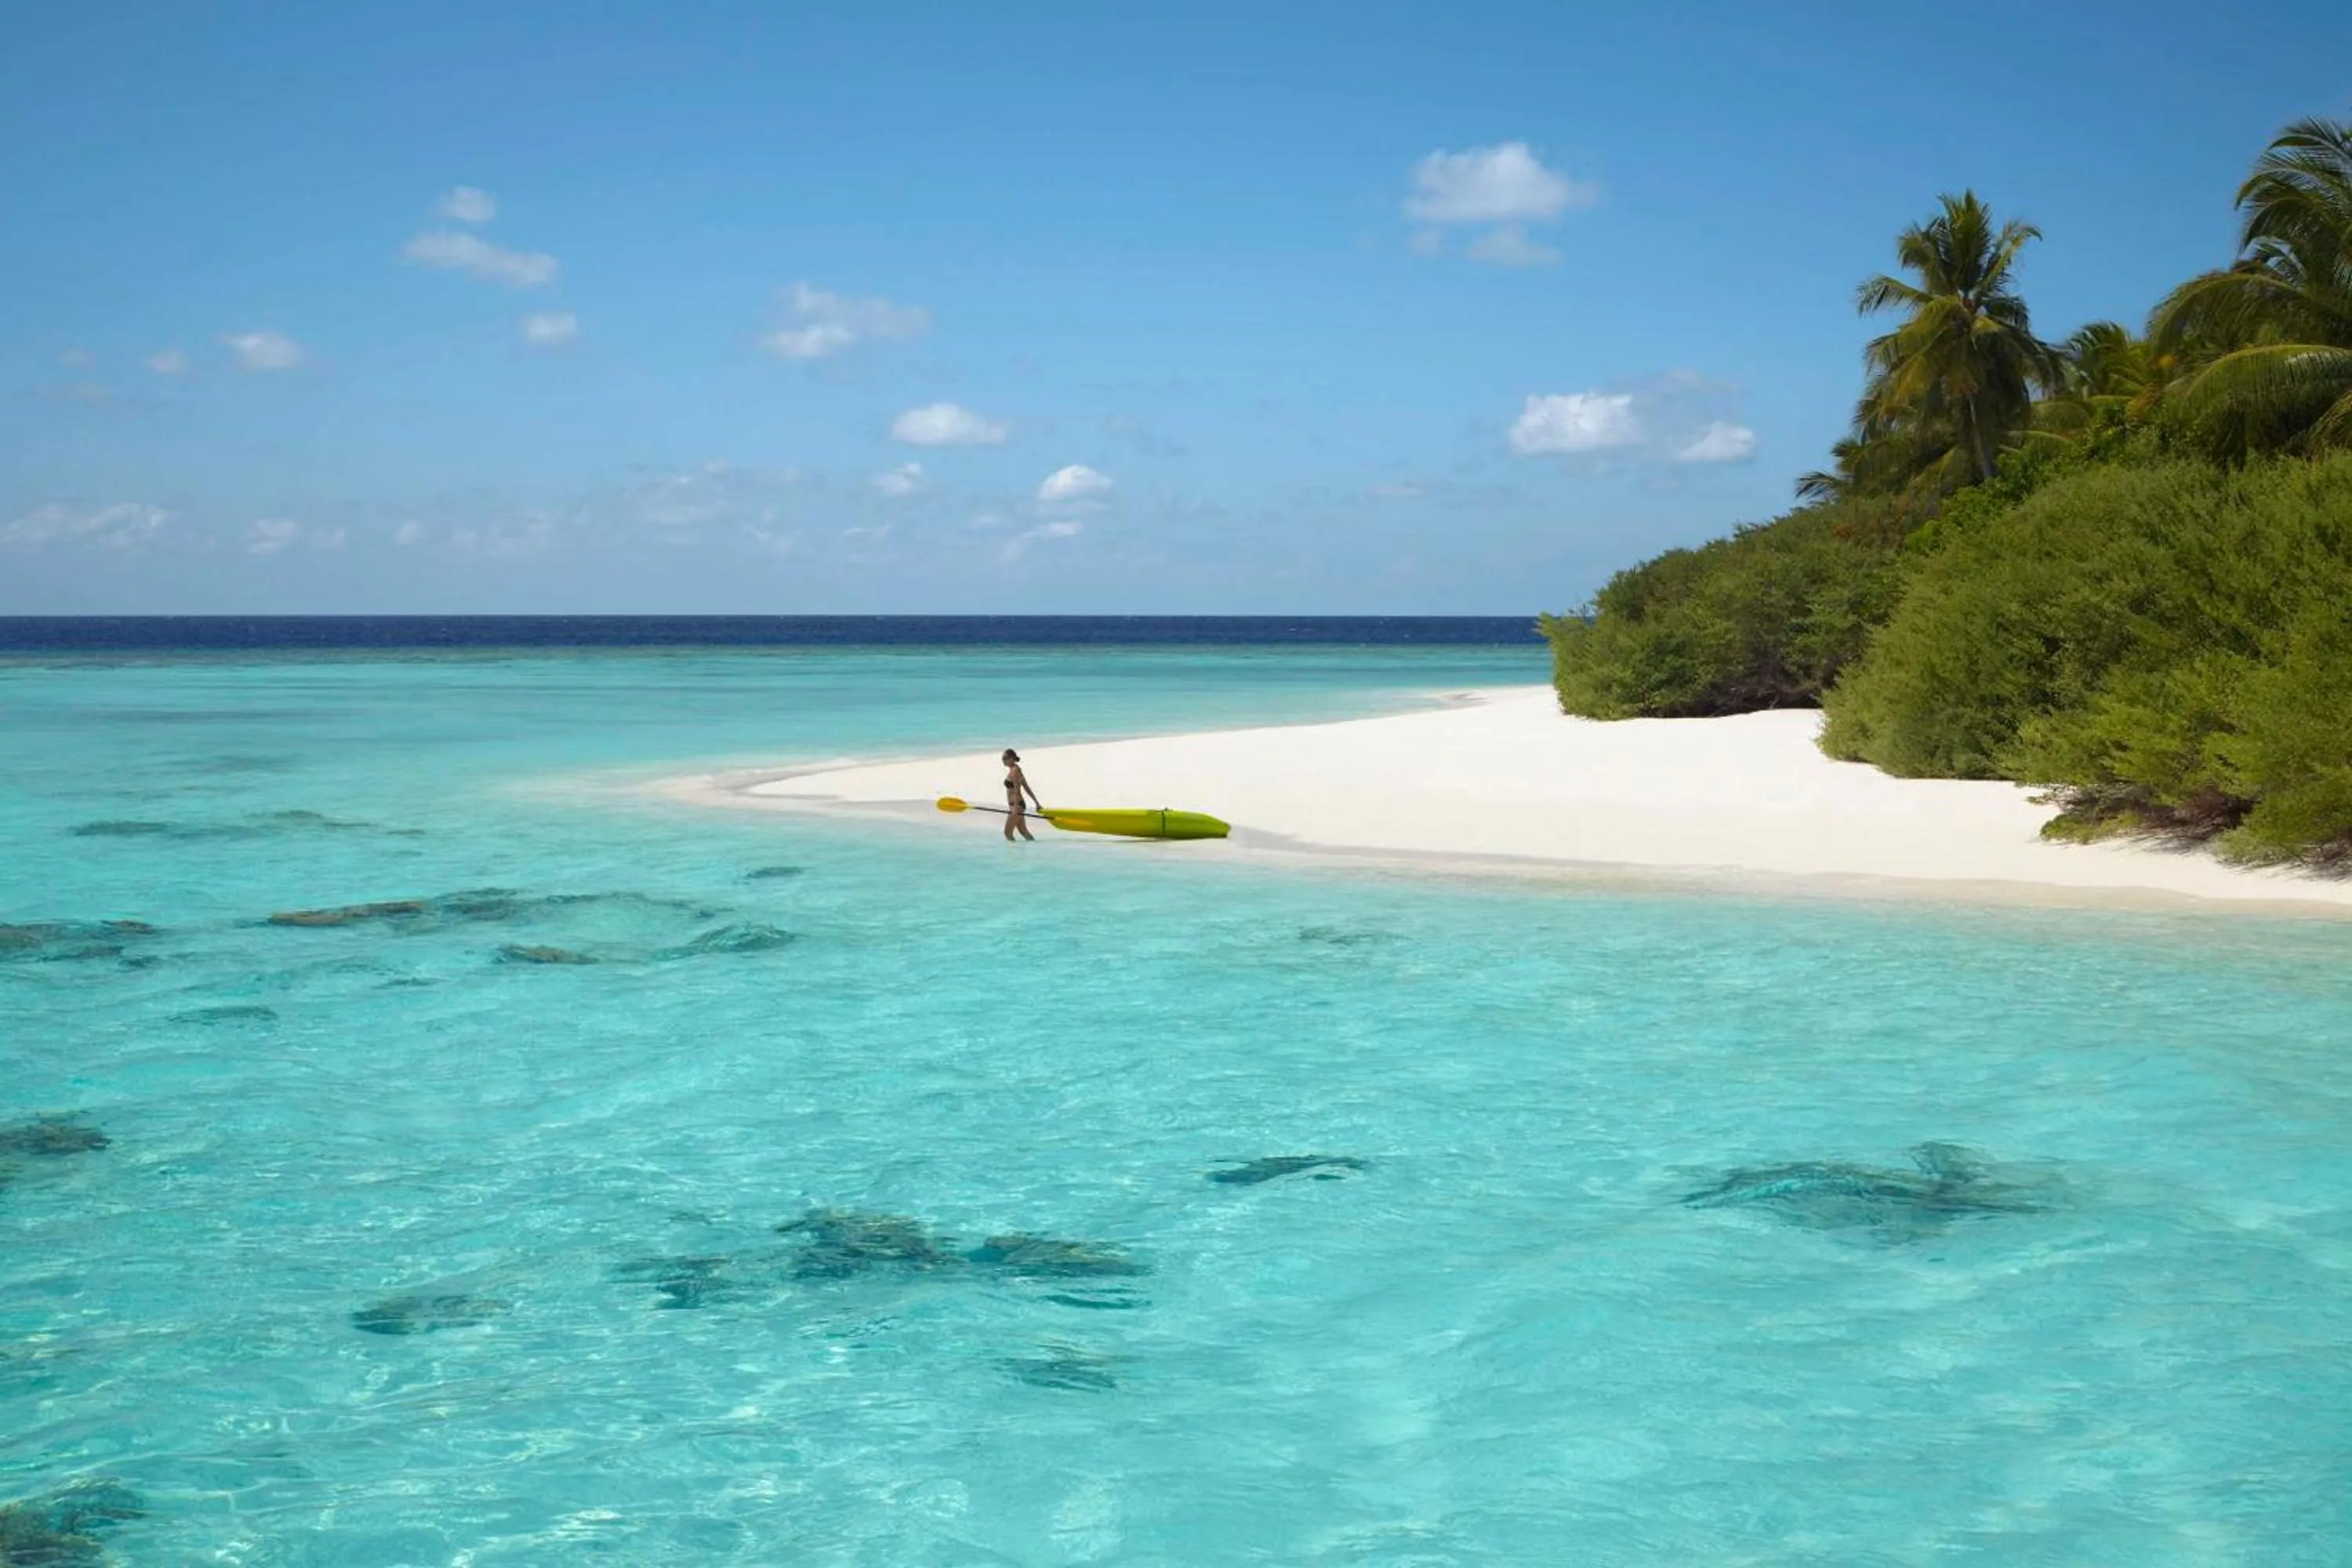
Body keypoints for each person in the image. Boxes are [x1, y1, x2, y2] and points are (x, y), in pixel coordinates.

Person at [1001, 748, 1044, 842]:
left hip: (1017, 806)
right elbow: (1026, 787)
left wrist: (1016, 807)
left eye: (1005, 758)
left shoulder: (1015, 771)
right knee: (1024, 832)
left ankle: (1013, 855)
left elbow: (1017, 790)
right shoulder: (1015, 770)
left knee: (1007, 833)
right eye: (1002, 758)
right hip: (1018, 805)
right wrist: (1037, 803)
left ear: (1012, 758)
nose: (1003, 760)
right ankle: (1034, 849)